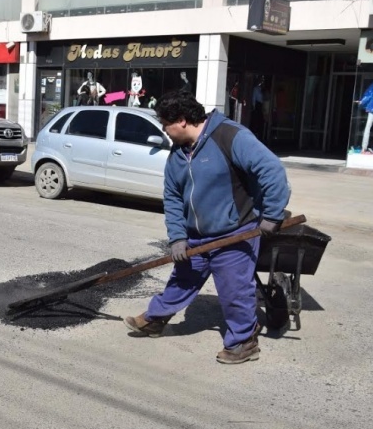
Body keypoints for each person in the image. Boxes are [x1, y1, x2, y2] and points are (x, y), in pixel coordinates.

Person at [124, 90, 291, 365]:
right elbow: (173, 198)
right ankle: (155, 320)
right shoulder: (177, 155)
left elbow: (271, 170)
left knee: (234, 291)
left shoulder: (230, 136)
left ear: (181, 120)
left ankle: (244, 342)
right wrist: (178, 237)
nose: (164, 130)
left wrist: (272, 215)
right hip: (196, 236)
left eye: (165, 124)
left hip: (236, 232)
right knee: (183, 278)